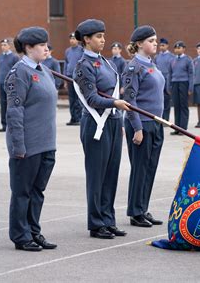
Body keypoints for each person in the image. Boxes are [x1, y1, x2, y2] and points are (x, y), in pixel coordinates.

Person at [72, 19, 130, 239]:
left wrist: (119, 118)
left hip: (113, 122)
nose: (103, 40)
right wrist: (114, 104)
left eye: (104, 36)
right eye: (98, 36)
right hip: (96, 123)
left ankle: (108, 218)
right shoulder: (82, 65)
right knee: (97, 176)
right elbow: (91, 98)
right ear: (86, 39)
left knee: (111, 174)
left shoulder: (107, 63)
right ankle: (96, 223)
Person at [5, 26, 59, 251]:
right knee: (23, 192)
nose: (46, 48)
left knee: (37, 192)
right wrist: (18, 145)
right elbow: (14, 112)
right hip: (27, 145)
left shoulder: (44, 71)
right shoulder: (19, 73)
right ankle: (21, 235)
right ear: (28, 48)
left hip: (46, 143)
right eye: (41, 45)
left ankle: (33, 231)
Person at [122, 25, 165, 228]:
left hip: (156, 123)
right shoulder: (134, 67)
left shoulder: (151, 65)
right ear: (139, 44)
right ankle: (135, 211)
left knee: (150, 168)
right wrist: (137, 127)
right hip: (142, 124)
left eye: (155, 40)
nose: (154, 44)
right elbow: (130, 101)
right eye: (150, 41)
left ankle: (143, 207)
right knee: (140, 168)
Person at [168, 41, 194, 135]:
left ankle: (183, 129)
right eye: (176, 48)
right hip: (175, 83)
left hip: (184, 83)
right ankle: (177, 128)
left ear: (183, 49)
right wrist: (169, 86)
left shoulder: (188, 59)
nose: (177, 50)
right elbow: (170, 74)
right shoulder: (172, 60)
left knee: (183, 106)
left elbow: (191, 74)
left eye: (179, 48)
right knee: (176, 106)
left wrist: (190, 87)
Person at [0, 38, 20, 132]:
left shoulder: (14, 57)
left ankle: (11, 124)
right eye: (2, 45)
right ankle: (4, 124)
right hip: (2, 83)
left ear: (9, 46)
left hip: (10, 84)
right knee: (3, 104)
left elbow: (16, 71)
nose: (3, 47)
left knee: (11, 104)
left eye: (5, 45)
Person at [64, 32, 84, 125]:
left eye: (74, 39)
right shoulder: (67, 51)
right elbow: (66, 64)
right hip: (69, 77)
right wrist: (64, 78)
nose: (72, 40)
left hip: (78, 78)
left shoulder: (81, 50)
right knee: (71, 99)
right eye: (71, 39)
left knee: (78, 98)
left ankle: (79, 118)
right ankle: (73, 118)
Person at [154, 38, 175, 121]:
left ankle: (166, 118)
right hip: (158, 81)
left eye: (163, 45)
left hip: (167, 81)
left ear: (167, 46)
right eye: (160, 45)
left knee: (166, 100)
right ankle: (160, 117)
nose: (161, 47)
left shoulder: (171, 57)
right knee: (159, 99)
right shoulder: (157, 57)